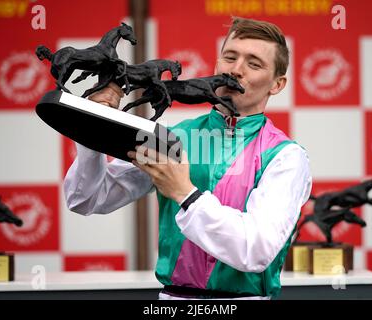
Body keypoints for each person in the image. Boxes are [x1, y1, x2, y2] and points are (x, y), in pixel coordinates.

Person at [64, 17, 312, 300]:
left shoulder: (286, 157)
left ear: (277, 84)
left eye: (254, 64)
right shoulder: (173, 137)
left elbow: (255, 250)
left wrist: (185, 193)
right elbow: (87, 199)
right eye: (229, 58)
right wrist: (93, 126)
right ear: (217, 64)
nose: (236, 70)